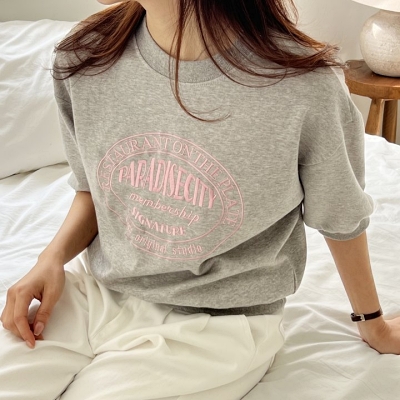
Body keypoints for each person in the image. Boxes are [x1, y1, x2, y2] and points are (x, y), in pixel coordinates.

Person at [1, 0, 399, 399]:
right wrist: (50, 259)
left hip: (219, 325)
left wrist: (372, 323)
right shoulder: (85, 54)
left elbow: (340, 216)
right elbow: (94, 188)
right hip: (94, 290)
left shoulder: (303, 85)